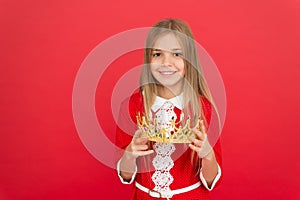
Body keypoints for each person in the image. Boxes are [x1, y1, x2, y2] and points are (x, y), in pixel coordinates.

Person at [115, 18, 222, 200]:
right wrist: (129, 156)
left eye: (176, 54)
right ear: (148, 60)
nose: (166, 62)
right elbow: (125, 175)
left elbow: (211, 181)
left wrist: (207, 154)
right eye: (158, 54)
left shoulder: (203, 108)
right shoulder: (131, 106)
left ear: (190, 61)